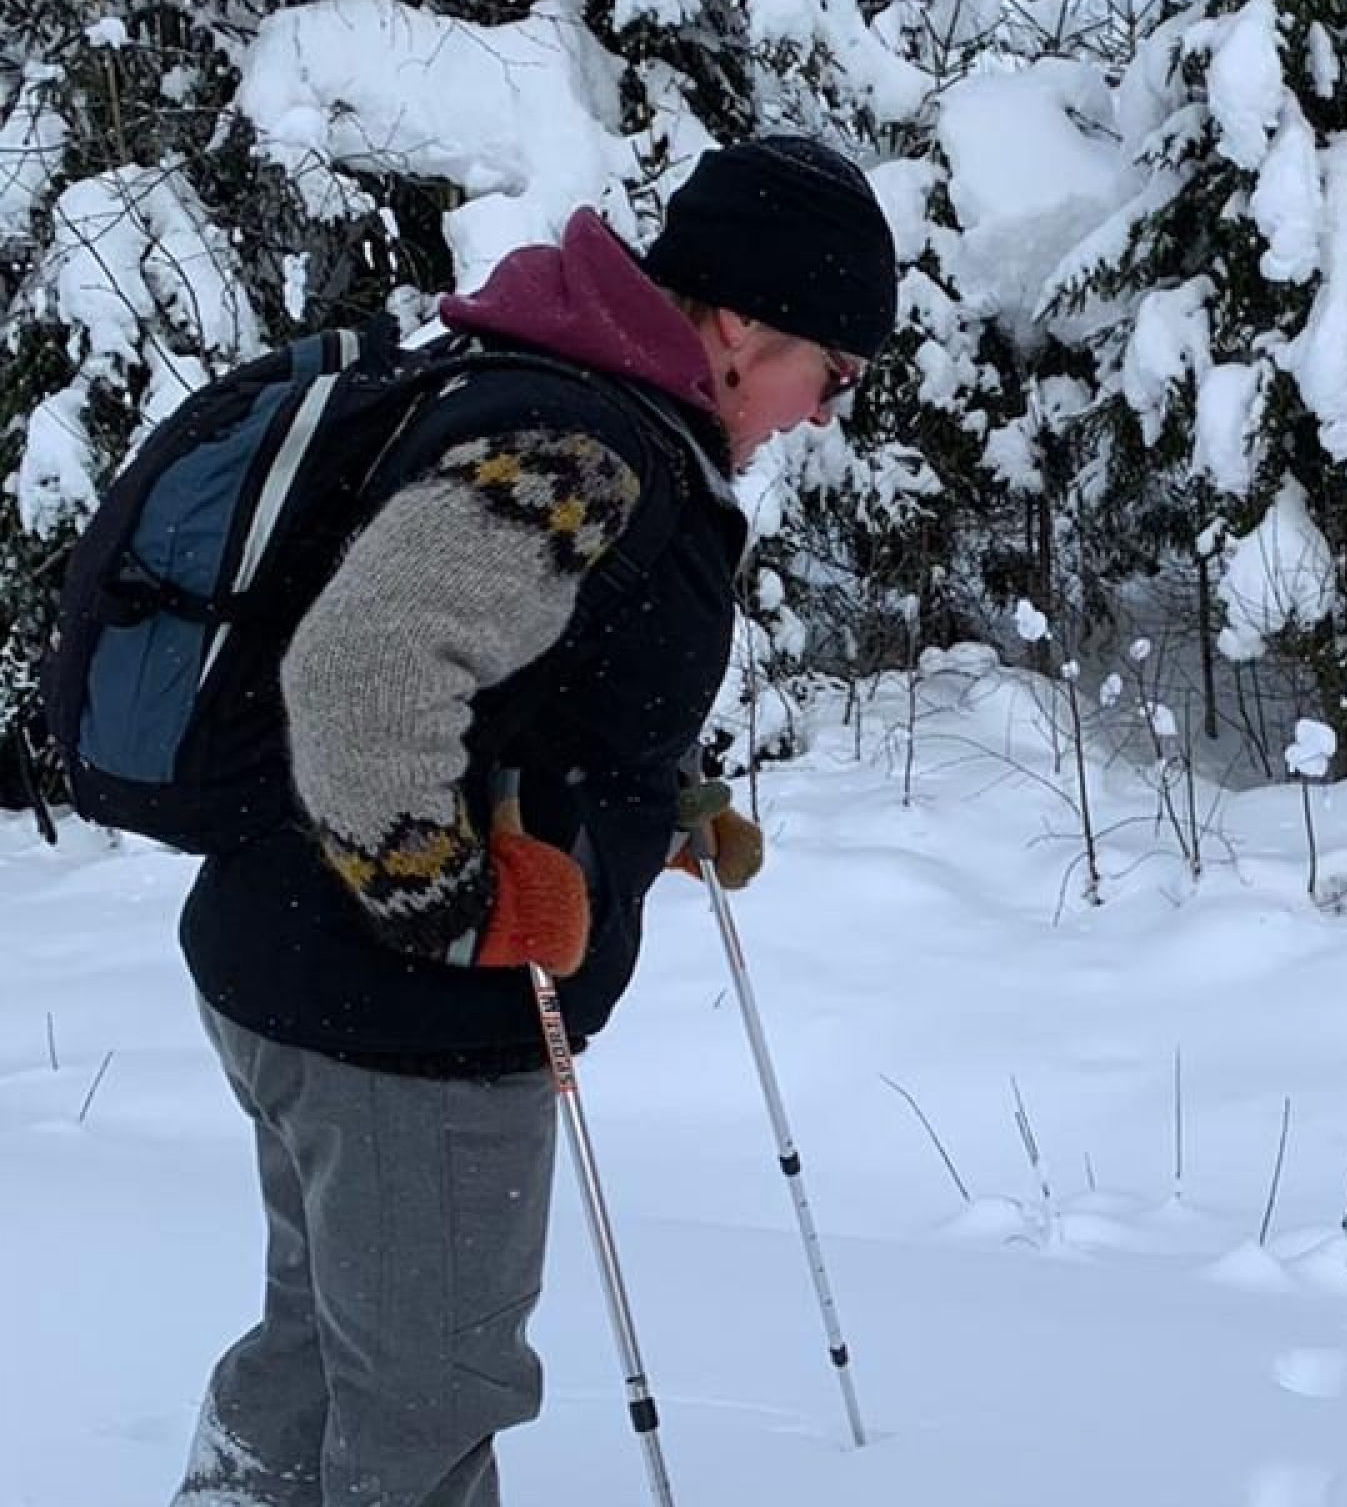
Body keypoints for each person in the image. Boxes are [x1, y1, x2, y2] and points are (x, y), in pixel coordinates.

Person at [171, 136, 900, 1507]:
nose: (821, 410)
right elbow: (362, 675)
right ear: (740, 322)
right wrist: (458, 908)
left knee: (329, 1351)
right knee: (428, 1401)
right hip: (398, 1024)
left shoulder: (575, 396)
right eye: (835, 372)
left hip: (297, 968)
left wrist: (643, 814)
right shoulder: (578, 440)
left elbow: (523, 684)